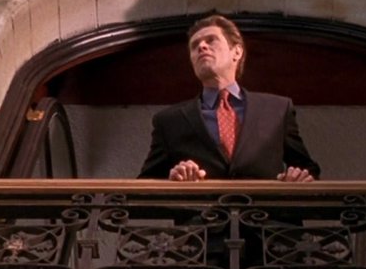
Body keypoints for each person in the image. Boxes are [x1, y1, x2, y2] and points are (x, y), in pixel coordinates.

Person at [137, 14, 321, 183]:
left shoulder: (277, 109)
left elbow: (307, 169)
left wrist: (298, 176)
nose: (201, 46)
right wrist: (173, 179)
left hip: (266, 209)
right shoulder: (169, 121)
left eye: (211, 40)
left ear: (237, 52)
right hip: (202, 209)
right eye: (194, 46)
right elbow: (145, 185)